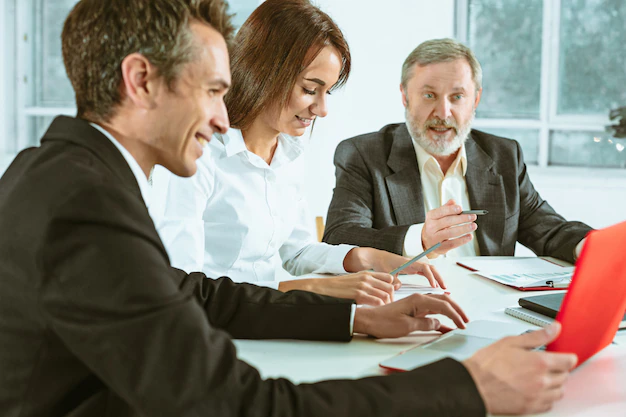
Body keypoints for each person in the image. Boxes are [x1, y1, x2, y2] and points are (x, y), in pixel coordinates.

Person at [0, 2, 577, 416]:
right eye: (212, 92)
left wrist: (353, 318)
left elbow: (193, 292)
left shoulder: (61, 174)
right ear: (141, 80)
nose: (225, 119)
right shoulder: (86, 204)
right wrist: (465, 390)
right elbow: (234, 403)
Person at [150, 0, 444, 307]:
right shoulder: (197, 154)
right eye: (309, 89)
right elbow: (185, 285)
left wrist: (366, 257)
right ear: (262, 71)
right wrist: (314, 288)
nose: (322, 109)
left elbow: (297, 251)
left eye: (327, 91)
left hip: (268, 315)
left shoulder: (289, 153)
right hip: (216, 322)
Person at [323, 38, 592, 262]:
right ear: (405, 96)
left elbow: (550, 231)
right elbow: (339, 237)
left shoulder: (504, 156)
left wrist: (597, 247)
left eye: (457, 97)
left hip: (492, 308)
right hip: (408, 307)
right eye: (429, 95)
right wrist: (420, 239)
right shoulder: (363, 154)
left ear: (475, 99)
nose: (443, 113)